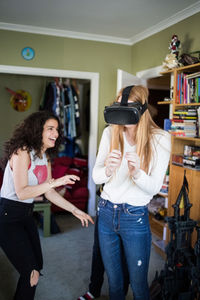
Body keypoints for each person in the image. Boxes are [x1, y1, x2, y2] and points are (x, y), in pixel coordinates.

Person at [0, 111, 94, 300]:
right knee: (30, 272)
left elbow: (49, 193)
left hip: (26, 214)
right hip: (8, 216)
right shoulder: (22, 151)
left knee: (37, 266)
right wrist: (55, 182)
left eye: (57, 129)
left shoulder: (44, 155)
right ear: (37, 130)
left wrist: (75, 210)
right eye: (50, 129)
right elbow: (22, 192)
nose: (56, 133)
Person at [92, 85, 171, 300]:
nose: (121, 111)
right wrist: (108, 169)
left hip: (134, 217)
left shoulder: (160, 139)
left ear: (141, 108)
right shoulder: (110, 132)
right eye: (118, 105)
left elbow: (154, 188)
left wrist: (137, 173)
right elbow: (96, 177)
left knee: (138, 285)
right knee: (115, 283)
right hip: (106, 213)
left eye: (127, 107)